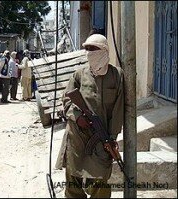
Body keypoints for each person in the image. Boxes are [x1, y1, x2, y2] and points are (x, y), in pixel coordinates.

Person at [55, 34, 124, 198]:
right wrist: (78, 116)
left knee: (100, 181)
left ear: (104, 50)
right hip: (77, 135)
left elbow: (118, 109)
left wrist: (112, 137)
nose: (89, 52)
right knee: (73, 182)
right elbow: (66, 100)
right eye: (87, 48)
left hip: (102, 137)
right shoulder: (79, 75)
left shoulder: (116, 75)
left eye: (93, 48)